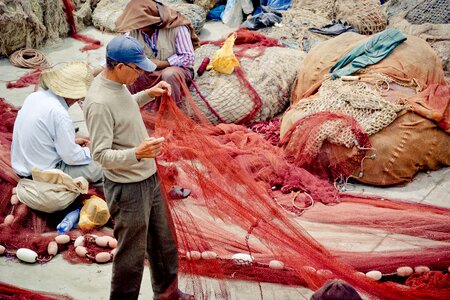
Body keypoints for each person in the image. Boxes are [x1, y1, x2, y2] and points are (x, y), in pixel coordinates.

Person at [83, 35, 194, 300]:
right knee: (131, 255)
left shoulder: (119, 86)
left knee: (164, 243)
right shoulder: (98, 102)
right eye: (136, 70)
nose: (140, 74)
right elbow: (100, 155)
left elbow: (124, 108)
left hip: (149, 178)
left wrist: (146, 94)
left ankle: (168, 294)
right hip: (127, 188)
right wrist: (137, 153)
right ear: (119, 66)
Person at [11, 61, 103, 187]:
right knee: (104, 167)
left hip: (22, 168)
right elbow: (71, 157)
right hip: (41, 175)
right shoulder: (59, 114)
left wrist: (72, 143)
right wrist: (89, 151)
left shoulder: (34, 97)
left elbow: (44, 138)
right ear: (75, 96)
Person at [114, 0, 200, 110]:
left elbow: (189, 57)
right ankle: (138, 111)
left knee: (169, 74)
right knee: (131, 72)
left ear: (151, 19)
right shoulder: (132, 32)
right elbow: (123, 53)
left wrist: (163, 63)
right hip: (149, 71)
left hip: (177, 70)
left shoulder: (177, 27)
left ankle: (171, 113)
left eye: (142, 24)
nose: (139, 28)